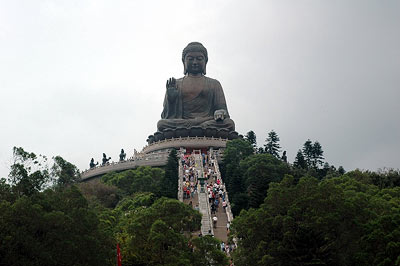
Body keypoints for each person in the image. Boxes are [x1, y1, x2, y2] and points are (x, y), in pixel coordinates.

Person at [157, 42, 235, 132]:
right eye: (190, 59)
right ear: (184, 62)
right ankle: (199, 129)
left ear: (205, 61)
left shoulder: (214, 84)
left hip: (207, 121)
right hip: (183, 123)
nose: (195, 62)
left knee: (229, 123)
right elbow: (166, 116)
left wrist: (220, 112)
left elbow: (222, 110)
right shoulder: (176, 84)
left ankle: (198, 129)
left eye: (199, 59)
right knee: (161, 124)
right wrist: (171, 100)